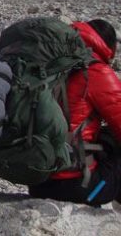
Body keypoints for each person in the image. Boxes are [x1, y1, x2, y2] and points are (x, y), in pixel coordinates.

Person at [29, 19, 121, 205]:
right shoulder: (96, 71)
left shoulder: (50, 63)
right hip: (76, 187)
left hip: (37, 181)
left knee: (104, 138)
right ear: (110, 47)